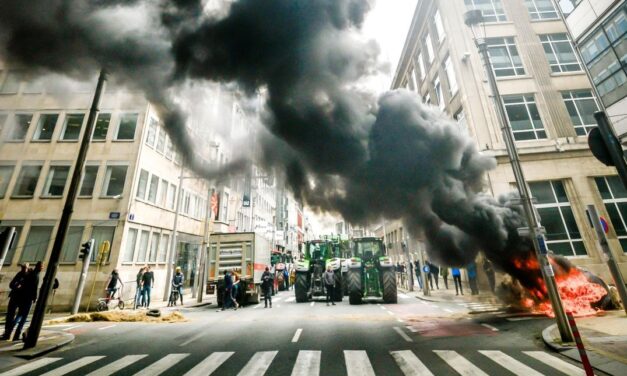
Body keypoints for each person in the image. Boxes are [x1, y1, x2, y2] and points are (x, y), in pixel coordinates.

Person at [13, 261, 42, 341]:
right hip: (28, 298)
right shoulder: (35, 275)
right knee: (23, 317)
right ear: (38, 267)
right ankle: (16, 334)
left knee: (20, 315)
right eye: (41, 266)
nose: (42, 268)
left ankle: (10, 330)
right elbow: (34, 288)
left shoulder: (30, 274)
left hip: (23, 297)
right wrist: (35, 297)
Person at [2, 263, 29, 340]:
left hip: (21, 299)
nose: (23, 269)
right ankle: (7, 332)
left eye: (25, 268)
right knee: (10, 314)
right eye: (22, 268)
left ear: (27, 268)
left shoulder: (28, 276)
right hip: (14, 297)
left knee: (18, 315)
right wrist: (16, 286)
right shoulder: (19, 274)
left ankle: (9, 332)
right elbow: (11, 284)